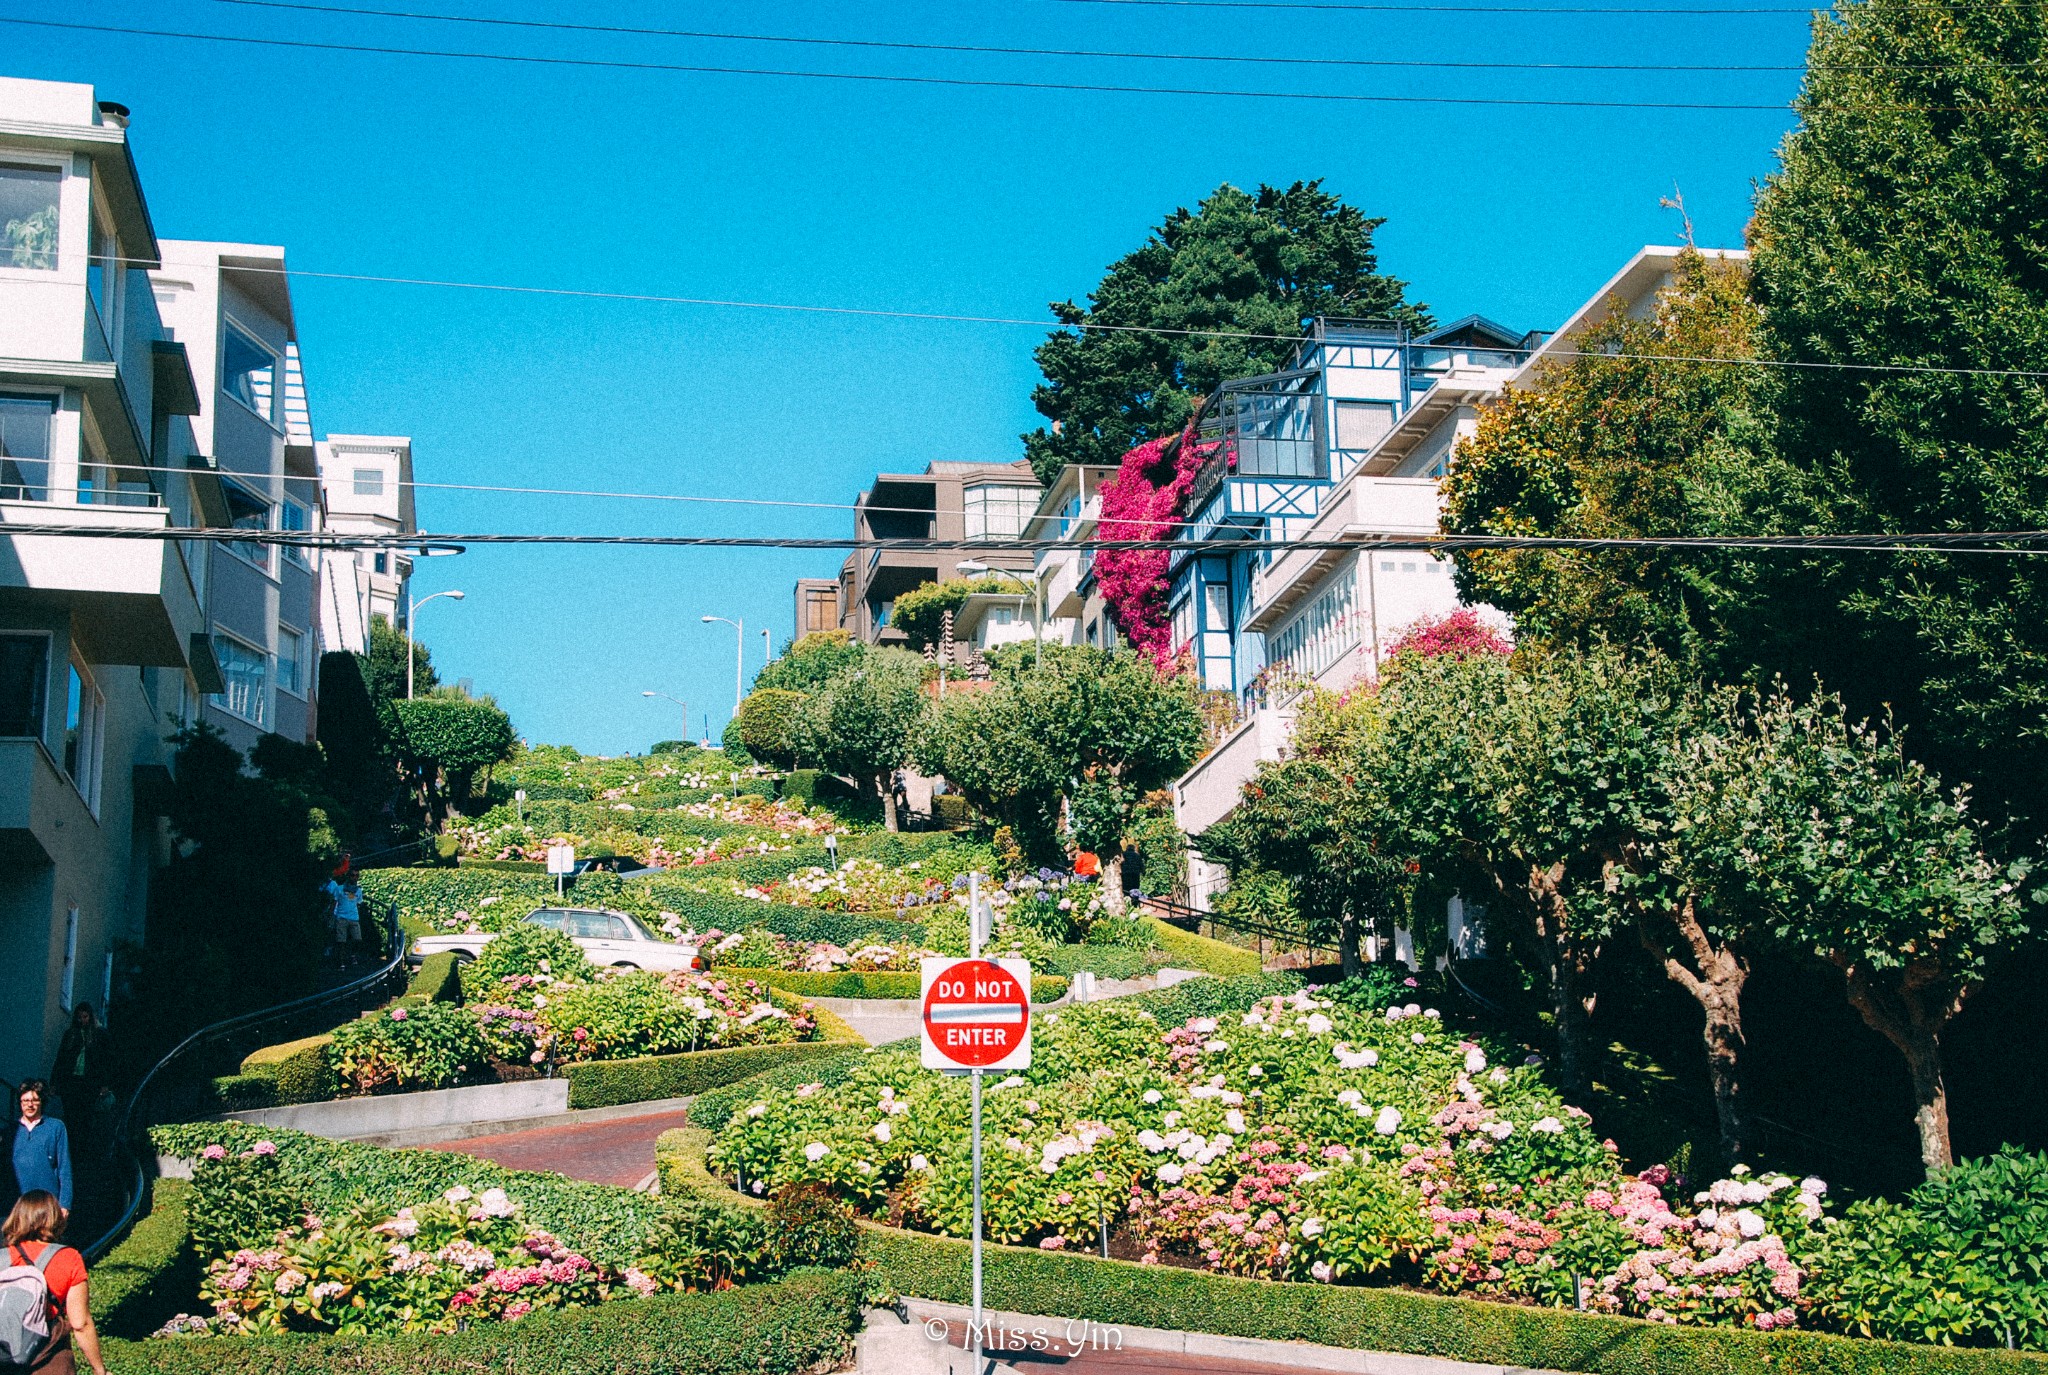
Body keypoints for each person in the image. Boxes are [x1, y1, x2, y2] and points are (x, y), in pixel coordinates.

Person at [3, 1190, 108, 1375]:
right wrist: (99, 1370)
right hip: (50, 1359)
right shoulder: (68, 1258)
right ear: (54, 1219)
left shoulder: (2, 1258)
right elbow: (80, 1323)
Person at [48, 1008, 106, 1158]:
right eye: (80, 1017)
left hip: (88, 1083)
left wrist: (104, 1084)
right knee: (71, 1116)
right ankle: (71, 1149)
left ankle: (82, 1150)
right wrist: (54, 1082)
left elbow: (104, 1060)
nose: (82, 1020)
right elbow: (61, 1058)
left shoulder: (98, 1035)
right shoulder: (71, 1034)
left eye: (85, 1017)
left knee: (85, 1116)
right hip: (71, 1081)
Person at [9, 1085, 70, 1220]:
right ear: (20, 1103)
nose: (30, 1105)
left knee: (46, 1240)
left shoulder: (56, 1127)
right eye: (25, 1101)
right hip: (18, 1204)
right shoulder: (11, 1130)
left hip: (47, 1203)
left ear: (41, 1102)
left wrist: (64, 1204)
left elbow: (64, 1168)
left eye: (35, 1100)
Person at [324, 873, 363, 966]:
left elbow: (359, 903)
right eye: (352, 875)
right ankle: (341, 963)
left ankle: (352, 955)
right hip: (341, 917)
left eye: (357, 876)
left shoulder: (358, 891)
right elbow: (334, 902)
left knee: (357, 939)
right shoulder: (339, 889)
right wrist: (331, 915)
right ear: (348, 877)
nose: (355, 878)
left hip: (354, 918)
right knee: (341, 941)